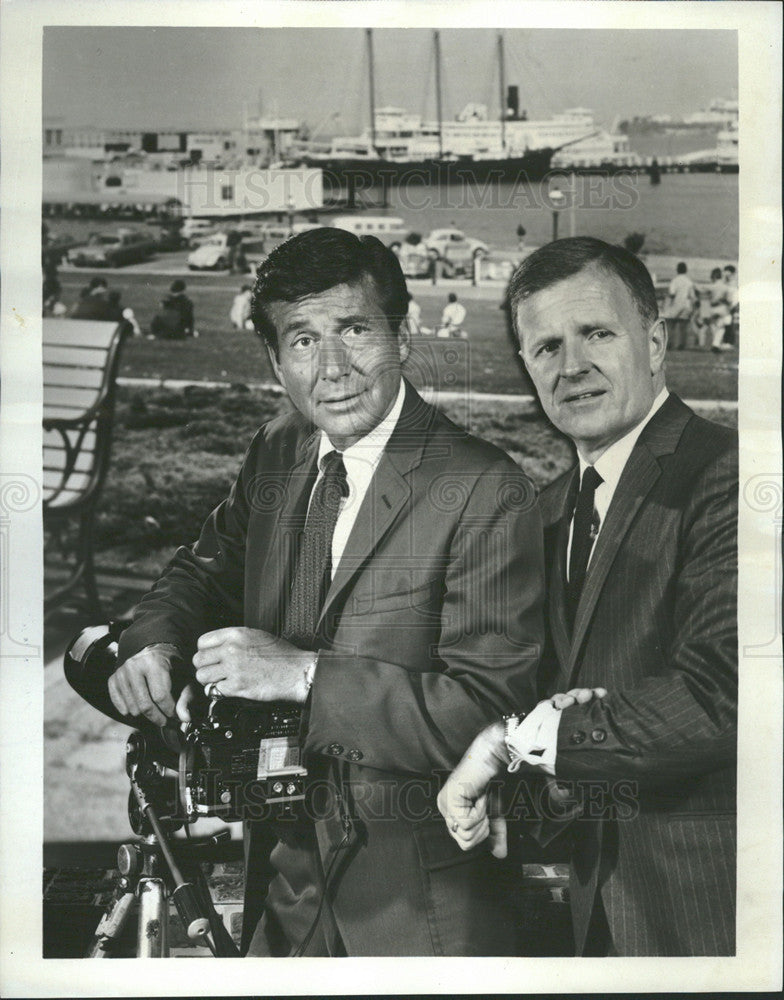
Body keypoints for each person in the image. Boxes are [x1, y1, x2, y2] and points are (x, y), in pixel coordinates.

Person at [106, 227, 545, 956]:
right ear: (276, 362)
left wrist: (302, 675)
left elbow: (488, 710)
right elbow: (201, 569)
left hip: (421, 910)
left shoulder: (484, 487)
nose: (334, 368)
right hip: (282, 891)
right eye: (304, 341)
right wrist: (156, 641)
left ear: (401, 335)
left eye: (354, 329)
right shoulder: (279, 447)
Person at [439, 236, 737, 957]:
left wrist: (513, 742)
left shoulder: (728, 475)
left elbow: (720, 692)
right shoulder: (548, 512)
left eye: (597, 333)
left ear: (657, 340)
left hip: (715, 915)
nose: (571, 366)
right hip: (596, 915)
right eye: (545, 348)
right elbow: (561, 691)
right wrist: (514, 784)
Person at [662, 261, 698, 350]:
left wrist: (666, 303)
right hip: (686, 305)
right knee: (683, 326)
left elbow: (672, 293)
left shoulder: (675, 280)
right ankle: (682, 345)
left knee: (670, 324)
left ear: (677, 270)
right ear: (686, 270)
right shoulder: (689, 281)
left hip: (677, 304)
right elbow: (692, 296)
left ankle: (669, 343)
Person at [707, 266, 731, 352]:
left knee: (713, 326)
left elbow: (706, 297)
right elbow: (729, 300)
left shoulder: (711, 286)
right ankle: (716, 344)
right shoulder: (725, 287)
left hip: (712, 308)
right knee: (721, 327)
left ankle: (715, 344)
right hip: (722, 308)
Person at [723, 264, 739, 346]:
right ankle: (726, 341)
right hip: (727, 305)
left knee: (730, 324)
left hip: (731, 306)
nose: (725, 274)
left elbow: (735, 296)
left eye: (727, 272)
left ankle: (729, 342)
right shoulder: (727, 282)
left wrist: (732, 306)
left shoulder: (733, 284)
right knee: (726, 323)